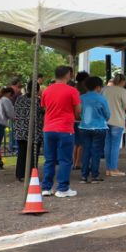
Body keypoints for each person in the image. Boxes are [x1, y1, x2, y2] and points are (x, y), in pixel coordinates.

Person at [40, 66, 81, 198]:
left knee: (49, 159)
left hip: (48, 128)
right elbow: (78, 110)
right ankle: (62, 188)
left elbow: (45, 107)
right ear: (68, 75)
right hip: (65, 128)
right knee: (65, 159)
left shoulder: (46, 90)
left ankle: (46, 187)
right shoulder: (72, 91)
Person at [77, 76, 110, 184]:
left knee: (86, 150)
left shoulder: (82, 97)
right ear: (98, 87)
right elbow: (107, 114)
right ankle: (94, 175)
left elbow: (78, 112)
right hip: (99, 127)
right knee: (96, 152)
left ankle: (83, 175)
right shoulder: (101, 98)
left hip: (84, 127)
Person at [14, 79, 44, 182]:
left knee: (21, 153)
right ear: (37, 89)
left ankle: (20, 174)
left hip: (20, 130)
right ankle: (32, 175)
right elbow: (44, 112)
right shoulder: (38, 101)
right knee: (33, 154)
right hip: (34, 132)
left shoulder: (19, 99)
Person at [102, 73, 126, 177]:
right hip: (117, 121)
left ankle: (108, 169)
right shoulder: (122, 91)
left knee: (107, 145)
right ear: (123, 82)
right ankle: (113, 168)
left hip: (105, 120)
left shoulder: (105, 90)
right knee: (114, 146)